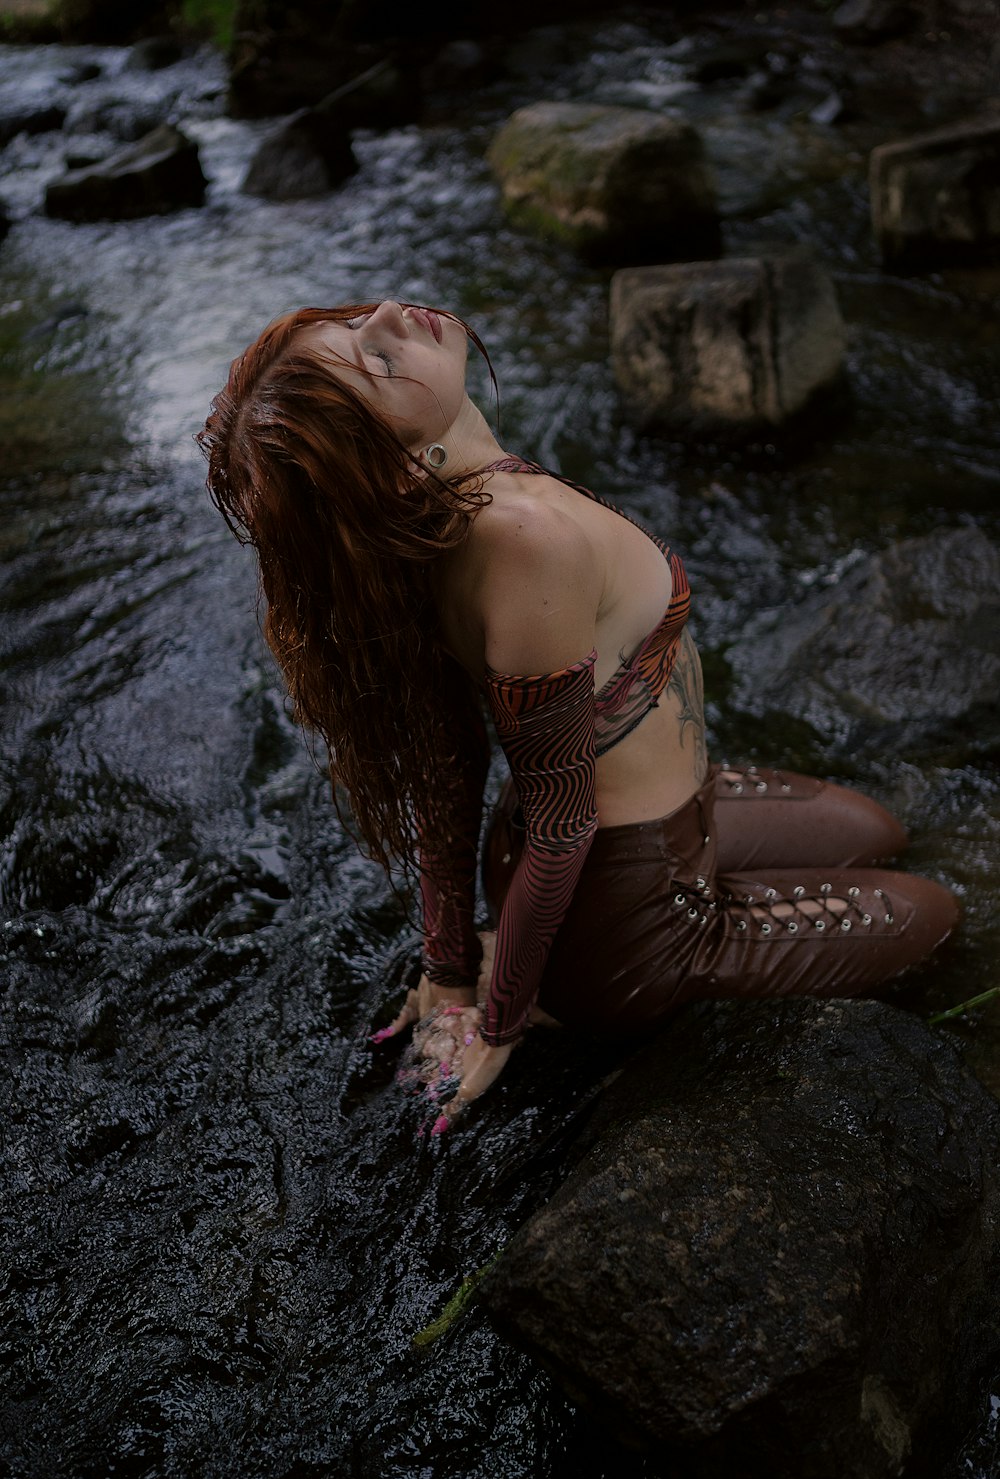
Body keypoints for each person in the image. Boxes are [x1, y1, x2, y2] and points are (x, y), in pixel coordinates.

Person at [199, 300, 960, 1133]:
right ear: (392, 468)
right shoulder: (525, 540)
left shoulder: (426, 525)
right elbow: (564, 826)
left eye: (359, 326)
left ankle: (539, 956)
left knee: (874, 826)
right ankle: (575, 984)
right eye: (375, 363)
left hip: (615, 838)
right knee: (938, 915)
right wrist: (496, 1016)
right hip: (630, 914)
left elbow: (447, 761)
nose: (388, 317)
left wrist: (451, 962)